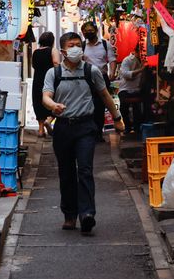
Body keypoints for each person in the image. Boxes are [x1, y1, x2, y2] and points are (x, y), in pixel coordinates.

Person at [43, 32, 125, 234]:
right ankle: (69, 215)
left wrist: (117, 118)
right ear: (63, 51)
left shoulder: (92, 71)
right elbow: (46, 96)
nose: (76, 49)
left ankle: (87, 214)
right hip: (63, 127)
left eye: (78, 45)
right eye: (71, 45)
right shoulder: (54, 74)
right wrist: (54, 106)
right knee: (66, 172)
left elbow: (105, 95)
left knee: (85, 170)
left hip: (85, 127)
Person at [81, 21, 116, 141]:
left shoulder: (105, 44)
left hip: (102, 77)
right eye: (86, 32)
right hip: (86, 80)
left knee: (100, 106)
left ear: (96, 31)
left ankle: (98, 133)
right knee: (88, 105)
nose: (88, 33)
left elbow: (112, 59)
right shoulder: (82, 46)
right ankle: (89, 132)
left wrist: (112, 72)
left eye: (90, 31)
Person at [31, 31, 60, 137]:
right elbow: (56, 63)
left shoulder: (36, 52)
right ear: (52, 41)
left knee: (39, 102)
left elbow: (34, 65)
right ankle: (49, 119)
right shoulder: (53, 50)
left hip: (37, 80)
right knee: (54, 100)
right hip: (50, 79)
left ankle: (40, 130)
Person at [117, 45, 145, 137]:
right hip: (125, 88)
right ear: (135, 51)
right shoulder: (127, 60)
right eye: (140, 52)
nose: (141, 54)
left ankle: (137, 128)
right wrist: (140, 70)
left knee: (137, 109)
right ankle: (128, 127)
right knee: (124, 109)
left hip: (137, 88)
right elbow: (125, 74)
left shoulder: (144, 60)